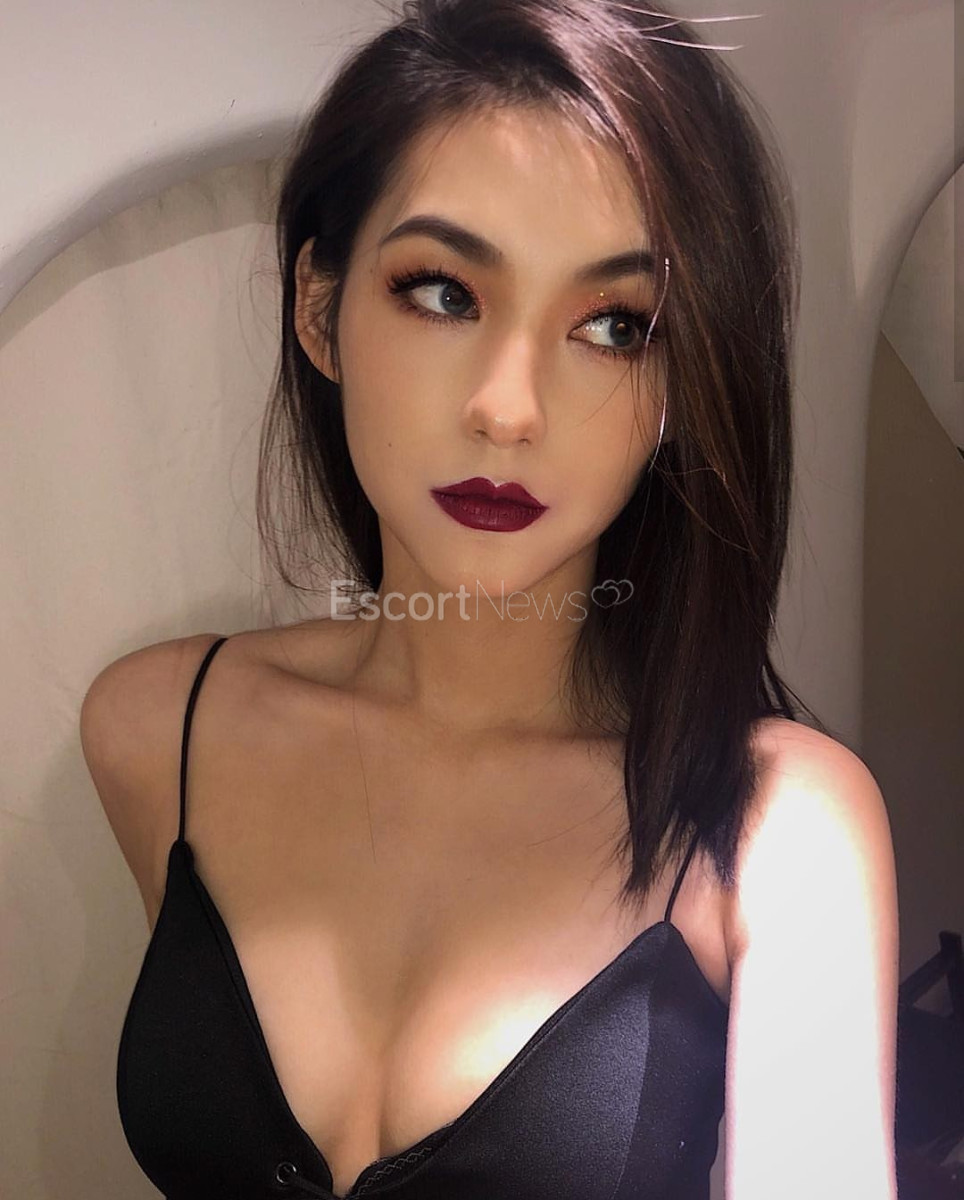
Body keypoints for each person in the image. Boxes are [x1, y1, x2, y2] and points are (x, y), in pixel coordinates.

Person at [80, 1, 899, 1197]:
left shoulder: (776, 830)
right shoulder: (159, 732)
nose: (508, 410)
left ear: (681, 387)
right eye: (444, 293)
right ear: (319, 309)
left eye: (613, 326)